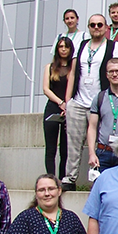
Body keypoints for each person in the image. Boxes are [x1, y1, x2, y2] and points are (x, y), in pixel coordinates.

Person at [63, 13, 118, 189]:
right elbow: (73, 73)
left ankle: (97, 178)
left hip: (101, 101)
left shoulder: (114, 46)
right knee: (73, 142)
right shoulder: (81, 45)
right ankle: (70, 177)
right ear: (88, 27)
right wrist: (68, 100)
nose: (96, 28)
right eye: (92, 25)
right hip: (78, 101)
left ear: (106, 27)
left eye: (99, 25)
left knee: (99, 143)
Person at [42, 37, 74, 180]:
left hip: (68, 109)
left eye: (66, 47)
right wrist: (60, 102)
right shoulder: (49, 67)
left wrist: (67, 105)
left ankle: (62, 179)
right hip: (52, 108)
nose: (63, 49)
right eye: (60, 46)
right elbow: (45, 89)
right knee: (51, 147)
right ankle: (50, 178)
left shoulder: (74, 68)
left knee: (65, 149)